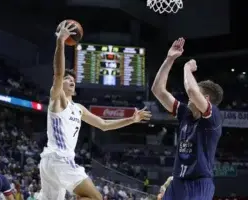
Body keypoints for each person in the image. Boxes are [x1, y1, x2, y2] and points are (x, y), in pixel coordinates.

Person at [38, 20, 152, 200]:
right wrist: (60, 41)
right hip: (59, 158)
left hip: (50, 163)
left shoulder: (79, 109)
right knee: (96, 198)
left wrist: (132, 119)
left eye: (72, 79)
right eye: (67, 79)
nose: (70, 80)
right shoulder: (58, 100)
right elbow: (58, 73)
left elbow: (104, 124)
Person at [151, 38, 223, 200]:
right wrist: (170, 59)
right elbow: (158, 90)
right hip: (178, 182)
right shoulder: (185, 114)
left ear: (205, 98)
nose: (188, 98)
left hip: (199, 183)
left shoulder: (213, 118)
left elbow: (191, 90)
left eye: (197, 93)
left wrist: (187, 68)